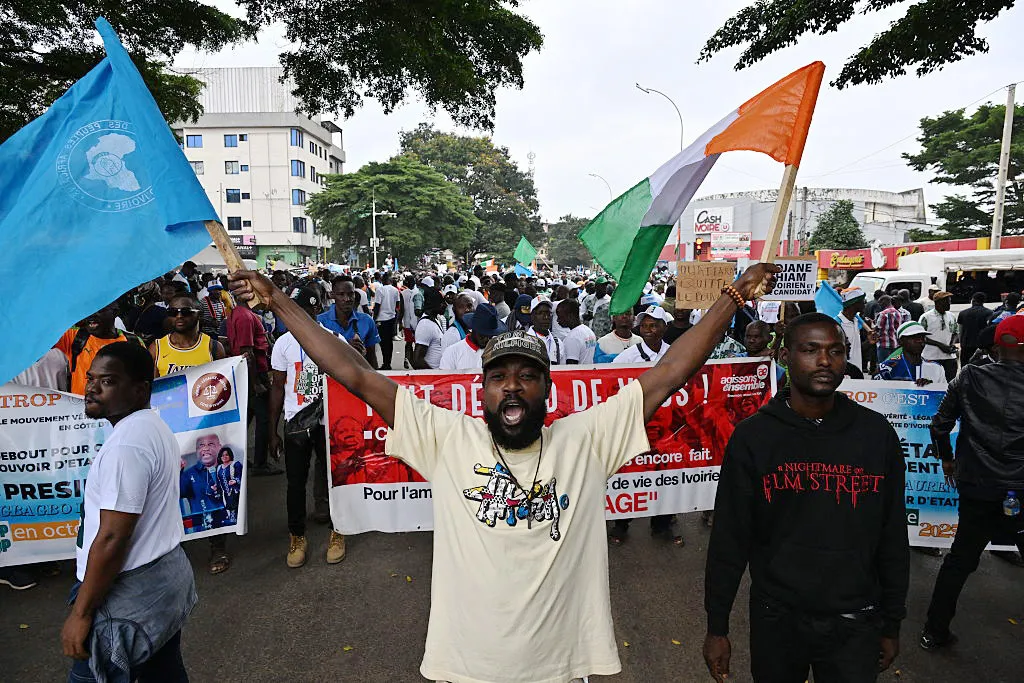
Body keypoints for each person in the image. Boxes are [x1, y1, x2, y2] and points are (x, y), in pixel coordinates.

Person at [228, 261, 778, 683]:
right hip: (467, 667)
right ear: (481, 389)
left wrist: (731, 297)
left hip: (560, 668)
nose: (512, 386)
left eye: (527, 376)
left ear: (549, 390)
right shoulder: (446, 438)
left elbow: (671, 372)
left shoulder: (585, 440)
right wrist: (277, 300)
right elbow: (353, 372)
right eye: (499, 377)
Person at [703, 313, 908, 683]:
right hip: (777, 618)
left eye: (836, 351)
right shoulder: (754, 437)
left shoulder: (877, 436)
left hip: (856, 621)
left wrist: (891, 622)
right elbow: (729, 540)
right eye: (810, 350)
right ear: (785, 355)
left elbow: (892, 536)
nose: (825, 361)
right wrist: (717, 627)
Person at [63, 342, 196, 683]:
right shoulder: (149, 427)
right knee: (162, 672)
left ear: (139, 391)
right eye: (91, 378)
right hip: (160, 582)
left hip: (128, 593)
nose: (91, 387)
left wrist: (81, 613)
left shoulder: (127, 445)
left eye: (106, 381)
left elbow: (112, 538)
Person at [921, 315, 1024, 649]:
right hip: (1020, 490)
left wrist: (948, 460)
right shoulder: (970, 377)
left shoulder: (969, 377)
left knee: (960, 558)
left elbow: (939, 425)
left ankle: (934, 631)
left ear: (997, 346)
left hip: (977, 485)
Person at [270, 287, 347, 568]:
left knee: (332, 478)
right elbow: (277, 387)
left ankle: (337, 532)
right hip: (296, 423)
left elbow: (349, 379)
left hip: (329, 421)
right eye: (304, 311)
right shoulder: (283, 344)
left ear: (319, 310)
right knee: (296, 482)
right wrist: (272, 431)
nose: (310, 316)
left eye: (314, 310)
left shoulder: (334, 339)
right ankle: (297, 536)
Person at [611, 304, 680, 545]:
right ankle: (621, 524)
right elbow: (609, 383)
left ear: (664, 327)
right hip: (636, 422)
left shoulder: (674, 354)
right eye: (645, 325)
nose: (648, 329)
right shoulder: (627, 357)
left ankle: (661, 525)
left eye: (654, 325)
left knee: (665, 474)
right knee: (631, 471)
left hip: (667, 427)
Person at [227, 299, 282, 478]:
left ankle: (239, 457)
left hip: (249, 374)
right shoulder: (245, 316)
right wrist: (256, 382)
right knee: (264, 418)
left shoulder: (239, 313)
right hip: (254, 373)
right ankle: (260, 463)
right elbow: (247, 351)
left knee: (247, 418)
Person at [149, 295, 226, 376]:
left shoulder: (214, 348)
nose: (179, 316)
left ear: (199, 314)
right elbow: (154, 386)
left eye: (186, 312)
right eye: (173, 312)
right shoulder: (156, 348)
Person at [318, 277, 380, 369]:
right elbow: (315, 358)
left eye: (351, 294)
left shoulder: (367, 321)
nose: (347, 299)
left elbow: (372, 357)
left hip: (360, 379)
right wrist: (345, 348)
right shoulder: (320, 322)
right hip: (330, 379)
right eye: (341, 294)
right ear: (332, 295)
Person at [874, 321, 947, 385]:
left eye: (922, 338)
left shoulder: (936, 368)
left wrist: (930, 388)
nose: (920, 341)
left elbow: (943, 396)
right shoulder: (887, 368)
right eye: (914, 337)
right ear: (900, 342)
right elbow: (876, 394)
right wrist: (895, 385)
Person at [439, 303, 507, 371]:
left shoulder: (498, 352)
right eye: (483, 335)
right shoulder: (452, 353)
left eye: (490, 336)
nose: (487, 339)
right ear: (473, 329)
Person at [919, 291, 959, 381]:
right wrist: (940, 345)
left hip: (949, 358)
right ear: (938, 302)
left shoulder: (951, 316)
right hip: (931, 357)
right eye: (947, 301)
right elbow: (921, 337)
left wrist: (951, 344)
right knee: (932, 384)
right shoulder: (926, 317)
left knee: (950, 384)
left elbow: (955, 332)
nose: (950, 303)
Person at [412, 287, 448, 370]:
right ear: (434, 303)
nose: (445, 305)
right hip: (433, 379)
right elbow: (417, 360)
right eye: (442, 302)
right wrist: (433, 374)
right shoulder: (426, 325)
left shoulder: (435, 319)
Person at [373, 273, 401, 371]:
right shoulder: (395, 290)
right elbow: (398, 305)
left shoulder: (380, 290)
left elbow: (377, 306)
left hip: (381, 319)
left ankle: (386, 363)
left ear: (382, 280)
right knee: (389, 342)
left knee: (382, 342)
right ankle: (388, 362)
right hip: (391, 318)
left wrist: (374, 319)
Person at [556, 299, 597, 365]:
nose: (557, 320)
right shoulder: (589, 331)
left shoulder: (572, 338)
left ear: (570, 316)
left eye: (560, 317)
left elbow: (572, 367)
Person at [526, 296, 563, 365]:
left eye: (548, 313)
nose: (546, 317)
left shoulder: (558, 343)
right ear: (532, 316)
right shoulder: (525, 342)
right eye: (540, 313)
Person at [956, 293, 991, 366]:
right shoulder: (989, 313)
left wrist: (961, 343)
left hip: (966, 346)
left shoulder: (962, 313)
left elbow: (960, 331)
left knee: (965, 369)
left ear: (973, 300)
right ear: (983, 301)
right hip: (981, 347)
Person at [839, 287, 868, 373]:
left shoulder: (856, 321)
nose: (865, 304)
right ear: (854, 304)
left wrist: (869, 342)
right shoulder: (837, 324)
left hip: (856, 373)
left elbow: (856, 349)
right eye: (862, 301)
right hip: (844, 376)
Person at [216, 447, 242, 524]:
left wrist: (235, 480)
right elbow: (218, 480)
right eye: (222, 455)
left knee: (236, 508)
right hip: (225, 494)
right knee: (229, 510)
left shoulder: (236, 464)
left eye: (226, 455)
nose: (224, 457)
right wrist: (214, 486)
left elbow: (241, 475)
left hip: (235, 492)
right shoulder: (219, 467)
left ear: (230, 455)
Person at [874, 295, 902, 364]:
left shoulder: (882, 314)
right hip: (895, 345)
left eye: (880, 302)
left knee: (883, 366)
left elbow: (877, 328)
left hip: (883, 345)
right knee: (893, 366)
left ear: (884, 301)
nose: (879, 305)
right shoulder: (898, 313)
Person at [400, 275, 420, 370]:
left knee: (409, 343)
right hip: (413, 322)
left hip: (409, 322)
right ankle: (411, 360)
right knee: (413, 343)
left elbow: (401, 309)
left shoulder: (404, 293)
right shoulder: (416, 292)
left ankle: (408, 359)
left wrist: (399, 321)